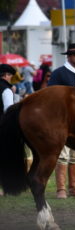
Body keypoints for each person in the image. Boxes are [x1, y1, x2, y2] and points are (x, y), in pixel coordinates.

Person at [48, 43, 75, 199]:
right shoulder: (59, 73)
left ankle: (74, 187)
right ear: (69, 56)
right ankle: (61, 189)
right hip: (63, 120)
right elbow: (51, 96)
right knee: (62, 155)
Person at [0, 63, 16, 196]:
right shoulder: (6, 90)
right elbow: (8, 110)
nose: (11, 78)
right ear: (6, 75)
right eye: (10, 75)